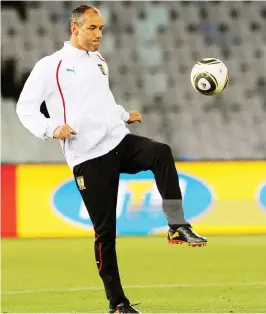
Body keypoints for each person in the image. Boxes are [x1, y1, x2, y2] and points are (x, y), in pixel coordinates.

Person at [16, 5, 207, 314]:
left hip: (117, 142)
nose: (99, 34)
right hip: (88, 156)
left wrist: (123, 115)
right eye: (92, 28)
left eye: (101, 28)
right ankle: (117, 304)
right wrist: (52, 128)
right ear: (74, 29)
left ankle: (176, 224)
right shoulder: (51, 66)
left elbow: (100, 99)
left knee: (160, 153)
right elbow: (25, 108)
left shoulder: (99, 61)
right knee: (105, 233)